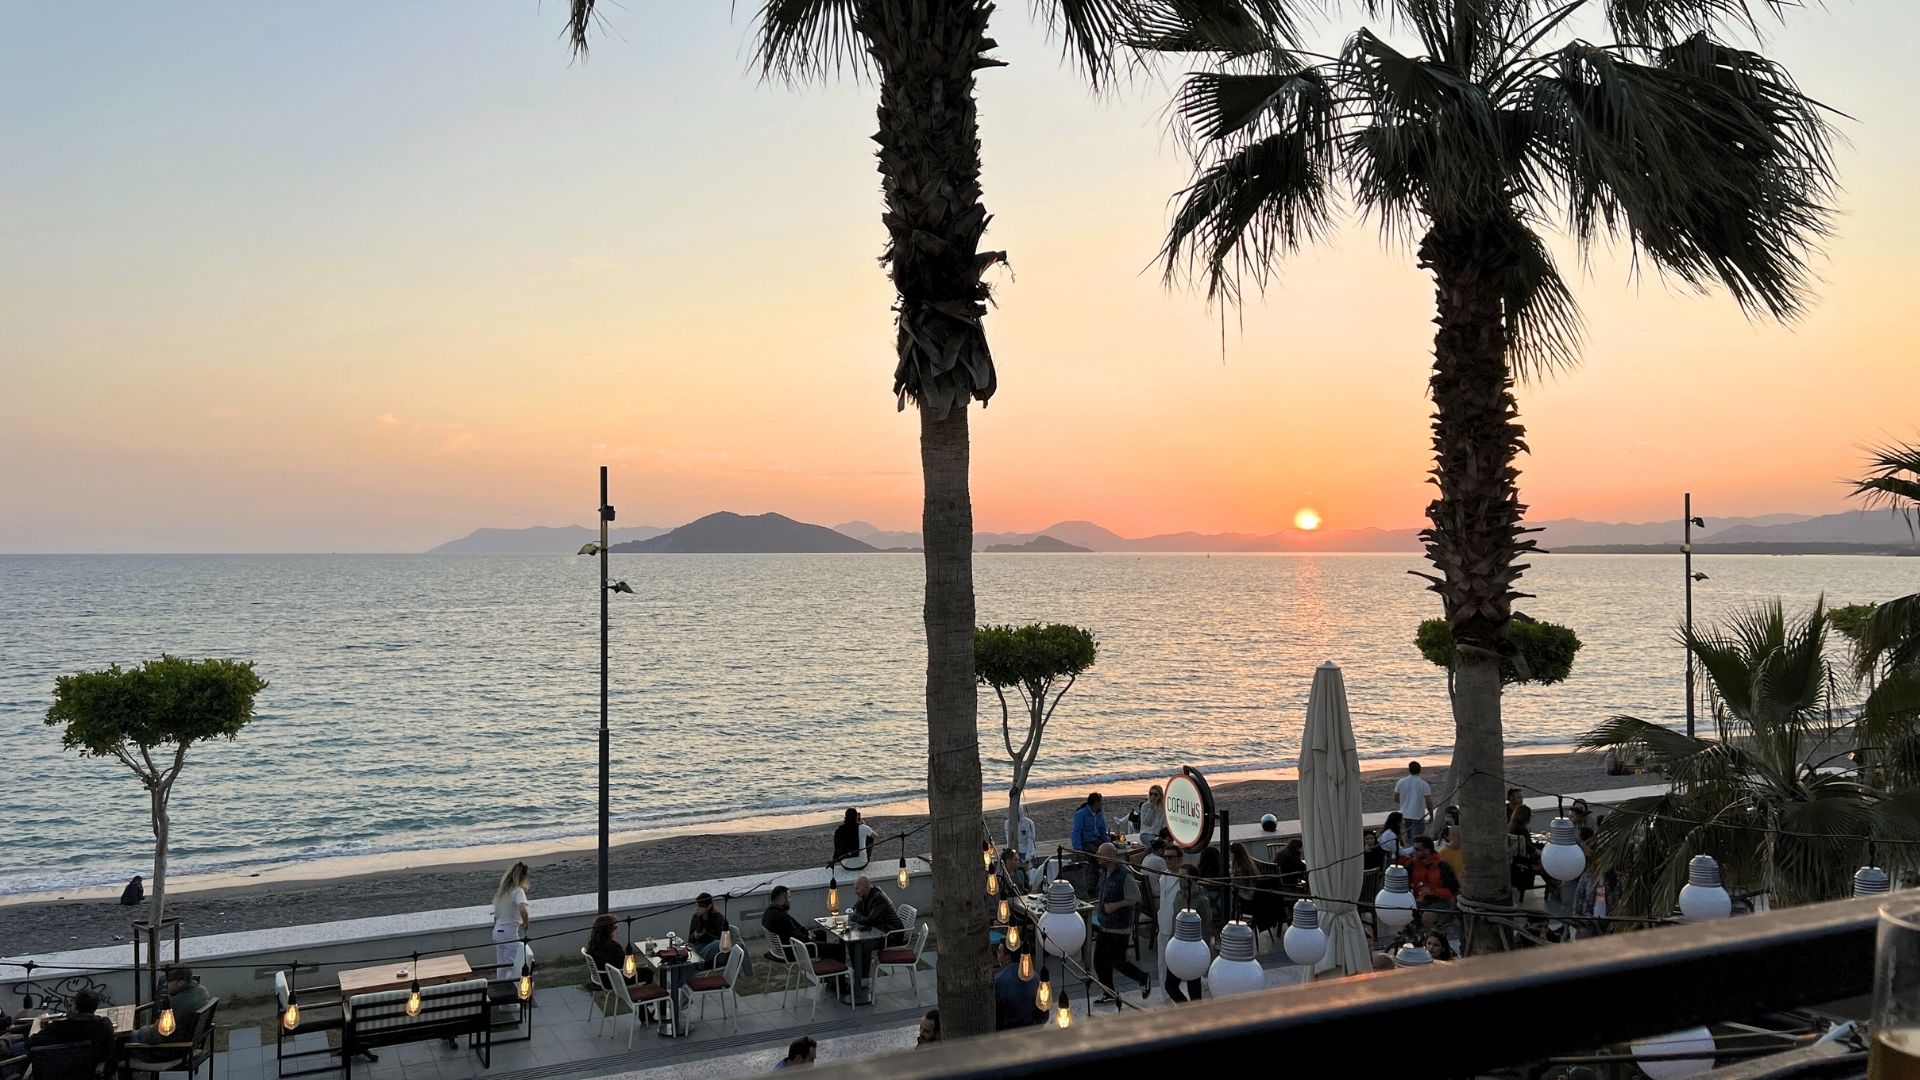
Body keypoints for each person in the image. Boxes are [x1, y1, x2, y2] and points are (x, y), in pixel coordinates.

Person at [1092, 844, 1151, 1005]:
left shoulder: (1124, 875)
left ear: (1109, 856)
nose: (1097, 856)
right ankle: (1109, 992)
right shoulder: (1104, 872)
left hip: (1119, 928)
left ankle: (1142, 977)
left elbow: (1135, 898)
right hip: (1105, 924)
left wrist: (1114, 906)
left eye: (1100, 854)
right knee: (1099, 962)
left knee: (1118, 962)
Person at [28, 989, 115, 1073]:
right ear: (96, 1006)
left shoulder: (58, 1027)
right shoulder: (103, 1024)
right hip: (89, 1072)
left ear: (75, 1006)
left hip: (57, 1073)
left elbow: (30, 1043)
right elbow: (109, 1050)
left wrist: (69, 1016)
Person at [1162, 864, 1211, 1003]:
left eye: (1184, 877)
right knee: (1170, 986)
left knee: (1194, 990)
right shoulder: (1179, 895)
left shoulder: (1201, 901)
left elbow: (1206, 927)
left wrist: (1201, 953)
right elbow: (1174, 920)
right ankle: (1187, 1011)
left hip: (1193, 951)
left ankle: (1194, 1016)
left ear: (1193, 880)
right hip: (1177, 947)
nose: (1180, 880)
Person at [760, 886, 844, 962]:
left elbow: (793, 928)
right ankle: (839, 978)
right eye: (789, 897)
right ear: (781, 900)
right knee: (837, 949)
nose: (790, 900)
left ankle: (825, 968)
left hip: (783, 948)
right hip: (793, 951)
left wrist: (806, 932)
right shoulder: (781, 917)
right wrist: (808, 937)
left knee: (821, 933)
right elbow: (796, 937)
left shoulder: (769, 912)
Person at [492, 863, 532, 1016]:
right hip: (508, 932)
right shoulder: (518, 891)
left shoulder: (503, 892)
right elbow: (523, 909)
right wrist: (526, 923)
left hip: (498, 931)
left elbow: (496, 915)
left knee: (502, 966)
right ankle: (513, 997)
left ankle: (502, 1001)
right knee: (519, 964)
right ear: (522, 877)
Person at [585, 913, 653, 986]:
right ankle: (644, 993)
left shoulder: (593, 943)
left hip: (603, 977)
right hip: (613, 979)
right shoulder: (612, 946)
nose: (616, 930)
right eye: (615, 927)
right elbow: (626, 969)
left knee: (643, 969)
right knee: (648, 972)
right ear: (609, 930)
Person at [994, 944, 1047, 1029]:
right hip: (1034, 1030)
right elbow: (1044, 1010)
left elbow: (997, 1015)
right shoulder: (1036, 977)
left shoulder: (998, 980)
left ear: (1008, 958)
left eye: (999, 952)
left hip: (1009, 1033)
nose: (997, 954)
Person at [1407, 836, 1459, 919]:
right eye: (1414, 849)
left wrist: (1433, 892)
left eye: (1417, 849)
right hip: (1420, 901)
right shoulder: (1412, 865)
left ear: (1427, 851)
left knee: (1427, 916)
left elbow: (1452, 891)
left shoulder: (1442, 866)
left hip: (1441, 901)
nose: (1414, 852)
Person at [1071, 793, 1109, 896]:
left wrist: (1109, 844)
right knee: (1096, 857)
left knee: (1109, 854)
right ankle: (1092, 888)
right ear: (1095, 803)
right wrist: (1078, 849)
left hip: (1097, 840)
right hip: (1086, 842)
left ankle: (1103, 885)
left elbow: (1103, 831)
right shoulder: (1081, 814)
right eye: (1101, 802)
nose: (1102, 805)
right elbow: (1076, 833)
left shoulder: (1099, 814)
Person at [1394, 761, 1435, 839]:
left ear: (1409, 770)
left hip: (1404, 814)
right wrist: (1431, 815)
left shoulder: (1401, 782)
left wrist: (1404, 802)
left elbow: (1395, 798)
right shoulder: (1423, 784)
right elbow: (1428, 802)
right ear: (1420, 770)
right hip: (1417, 815)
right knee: (1417, 839)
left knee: (1408, 839)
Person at [688, 892, 731, 964]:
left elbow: (722, 941)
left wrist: (705, 934)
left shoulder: (718, 917)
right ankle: (696, 964)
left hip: (717, 951)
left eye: (701, 906)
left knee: (716, 943)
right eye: (697, 905)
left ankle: (698, 964)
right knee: (696, 948)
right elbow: (690, 940)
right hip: (701, 947)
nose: (697, 908)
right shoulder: (696, 917)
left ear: (709, 906)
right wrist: (695, 936)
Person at [1509, 805, 1539, 901]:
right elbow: (1529, 847)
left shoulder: (1511, 826)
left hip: (1514, 859)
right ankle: (1552, 884)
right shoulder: (1522, 830)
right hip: (1525, 859)